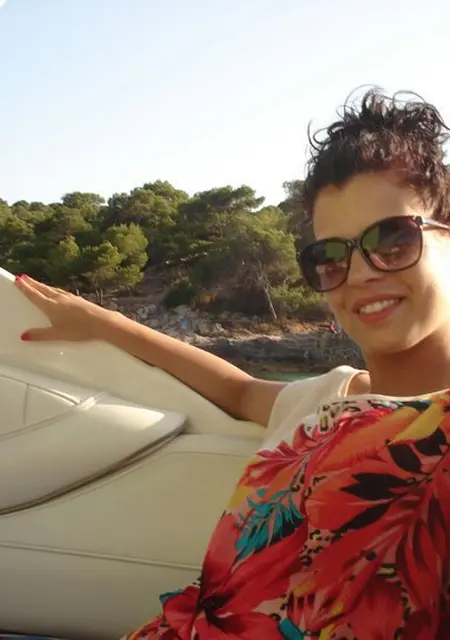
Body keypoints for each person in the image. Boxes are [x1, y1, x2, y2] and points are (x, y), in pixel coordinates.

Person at [15, 88, 450, 638]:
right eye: (329, 256)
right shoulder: (328, 398)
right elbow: (238, 389)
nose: (360, 273)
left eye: (392, 240)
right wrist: (102, 322)